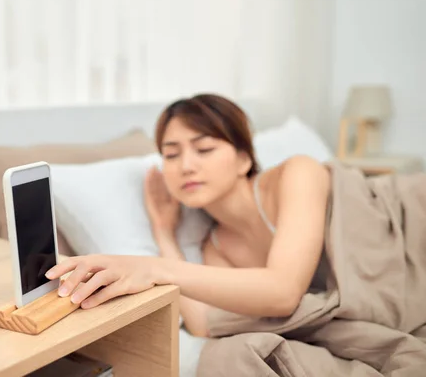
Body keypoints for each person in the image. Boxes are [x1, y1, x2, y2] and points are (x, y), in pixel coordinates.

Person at [44, 93, 331, 337]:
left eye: (204, 149)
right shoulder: (217, 247)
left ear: (244, 159)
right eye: (171, 155)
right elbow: (204, 324)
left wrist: (154, 268)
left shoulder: (298, 173)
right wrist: (164, 235)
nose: (186, 166)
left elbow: (283, 293)